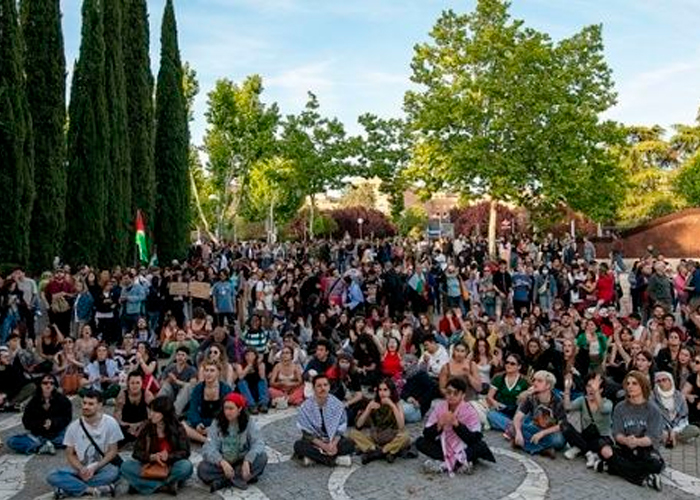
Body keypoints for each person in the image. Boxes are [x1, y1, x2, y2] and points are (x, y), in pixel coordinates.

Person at [593, 371, 665, 491]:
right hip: (625, 447)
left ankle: (611, 466)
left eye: (634, 383)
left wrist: (636, 441)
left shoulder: (653, 410)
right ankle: (645, 478)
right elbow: (617, 433)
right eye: (628, 383)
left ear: (643, 386)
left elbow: (652, 438)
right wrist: (626, 440)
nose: (630, 386)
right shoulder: (620, 407)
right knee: (605, 450)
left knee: (656, 465)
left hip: (645, 449)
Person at [46, 389, 123, 498]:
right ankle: (91, 489)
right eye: (84, 403)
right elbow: (69, 453)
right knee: (52, 475)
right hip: (80, 468)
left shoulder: (110, 423)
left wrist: (95, 467)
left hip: (102, 467)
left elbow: (113, 451)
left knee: (114, 472)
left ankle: (67, 488)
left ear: (100, 405)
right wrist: (81, 469)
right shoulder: (74, 427)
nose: (86, 407)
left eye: (91, 404)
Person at [416, 377, 495, 475]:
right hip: (443, 443)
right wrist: (439, 425)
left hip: (463, 445)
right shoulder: (440, 407)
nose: (451, 396)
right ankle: (460, 461)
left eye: (456, 393)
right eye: (449, 392)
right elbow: (427, 433)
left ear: (463, 395)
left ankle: (445, 464)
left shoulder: (469, 411)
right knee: (420, 442)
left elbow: (474, 438)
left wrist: (457, 424)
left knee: (481, 446)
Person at [120, 396, 193, 495]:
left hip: (170, 466)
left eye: (155, 412)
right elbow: (136, 452)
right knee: (125, 466)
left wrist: (168, 456)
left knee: (186, 466)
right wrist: (151, 457)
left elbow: (185, 452)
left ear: (165, 413)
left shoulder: (178, 428)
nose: (151, 415)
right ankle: (164, 486)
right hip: (149, 465)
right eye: (151, 411)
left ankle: (142, 484)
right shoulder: (147, 427)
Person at [198, 393, 268, 492]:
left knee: (262, 458)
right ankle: (239, 478)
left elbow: (258, 443)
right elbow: (208, 447)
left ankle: (224, 481)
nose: (227, 412)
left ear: (239, 409)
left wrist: (248, 460)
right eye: (225, 408)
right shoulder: (217, 423)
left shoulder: (248, 422)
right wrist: (221, 461)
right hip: (223, 462)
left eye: (231, 409)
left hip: (242, 460)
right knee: (202, 469)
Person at [293, 374, 356, 467]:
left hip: (333, 440)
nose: (323, 388)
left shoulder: (337, 404)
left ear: (329, 387)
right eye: (319, 386)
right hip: (315, 441)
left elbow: (340, 429)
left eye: (325, 385)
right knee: (299, 445)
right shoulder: (306, 406)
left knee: (350, 444)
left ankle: (316, 458)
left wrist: (333, 444)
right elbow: (307, 433)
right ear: (314, 388)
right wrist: (324, 446)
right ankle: (330, 459)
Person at [6, 374, 72, 455]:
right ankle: (42, 446)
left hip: (57, 434)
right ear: (40, 385)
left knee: (74, 438)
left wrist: (53, 422)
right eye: (45, 383)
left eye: (52, 383)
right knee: (11, 441)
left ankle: (44, 445)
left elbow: (67, 418)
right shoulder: (33, 402)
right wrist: (41, 424)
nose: (48, 385)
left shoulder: (63, 400)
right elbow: (26, 422)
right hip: (39, 435)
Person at [349, 378, 411, 464]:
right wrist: (368, 409)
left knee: (406, 437)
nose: (382, 393)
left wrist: (392, 406)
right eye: (380, 390)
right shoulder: (373, 403)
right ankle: (385, 451)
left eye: (385, 390)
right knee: (352, 433)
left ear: (391, 391)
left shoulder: (397, 404)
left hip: (391, 437)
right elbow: (358, 425)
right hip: (375, 438)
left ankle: (377, 453)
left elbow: (401, 426)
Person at [561, 372, 613, 467]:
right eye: (589, 386)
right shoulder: (582, 400)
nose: (591, 389)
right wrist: (567, 389)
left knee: (600, 444)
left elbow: (603, 410)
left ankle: (579, 448)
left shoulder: (608, 402)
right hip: (586, 436)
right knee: (564, 426)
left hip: (601, 437)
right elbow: (567, 407)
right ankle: (588, 453)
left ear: (601, 389)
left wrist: (596, 392)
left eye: (594, 387)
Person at [511, 370, 567, 457]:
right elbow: (518, 416)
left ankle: (527, 445)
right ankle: (543, 450)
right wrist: (518, 432)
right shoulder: (531, 397)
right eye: (534, 380)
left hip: (550, 432)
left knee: (558, 441)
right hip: (534, 427)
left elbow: (562, 425)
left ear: (548, 385)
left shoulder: (557, 400)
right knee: (514, 427)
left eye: (539, 381)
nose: (535, 383)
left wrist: (542, 433)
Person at [183, 360, 233, 444]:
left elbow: (229, 412)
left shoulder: (225, 389)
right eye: (206, 370)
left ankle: (210, 437)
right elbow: (193, 409)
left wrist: (213, 427)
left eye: (212, 370)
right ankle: (206, 440)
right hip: (201, 423)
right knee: (182, 426)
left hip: (219, 423)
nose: (208, 373)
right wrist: (197, 423)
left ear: (218, 372)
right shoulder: (198, 388)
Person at [652, 371, 700, 447]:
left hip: (678, 427)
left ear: (670, 381)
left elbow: (683, 416)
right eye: (658, 381)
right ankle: (666, 437)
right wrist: (666, 429)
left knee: (694, 430)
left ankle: (672, 437)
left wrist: (674, 431)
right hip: (660, 427)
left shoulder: (679, 396)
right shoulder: (652, 397)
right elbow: (653, 417)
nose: (661, 383)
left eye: (664, 380)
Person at [486, 353, 529, 431]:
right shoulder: (498, 377)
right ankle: (515, 428)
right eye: (507, 362)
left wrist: (525, 394)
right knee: (490, 414)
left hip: (516, 411)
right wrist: (494, 402)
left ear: (519, 366)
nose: (508, 365)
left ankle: (509, 426)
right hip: (501, 409)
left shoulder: (524, 381)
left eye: (512, 363)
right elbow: (489, 396)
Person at [113, 371, 154, 446]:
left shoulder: (147, 395)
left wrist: (140, 426)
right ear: (128, 383)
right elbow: (116, 416)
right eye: (132, 383)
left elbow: (154, 415)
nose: (135, 386)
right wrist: (128, 426)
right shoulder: (122, 395)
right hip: (125, 427)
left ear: (142, 383)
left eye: (137, 383)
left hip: (142, 426)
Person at [0, 346, 35, 410]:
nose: (8, 358)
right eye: (5, 357)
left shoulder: (13, 369)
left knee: (31, 386)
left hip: (10, 394)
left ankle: (10, 404)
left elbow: (20, 383)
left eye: (8, 356)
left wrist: (5, 394)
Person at [236, 349, 270, 414]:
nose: (249, 357)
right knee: (241, 382)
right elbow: (240, 377)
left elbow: (262, 377)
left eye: (252, 355)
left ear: (255, 356)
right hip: (245, 392)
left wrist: (260, 365)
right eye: (247, 355)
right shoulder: (240, 365)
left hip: (256, 390)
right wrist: (248, 366)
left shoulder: (260, 364)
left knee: (263, 380)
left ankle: (263, 403)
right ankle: (251, 405)